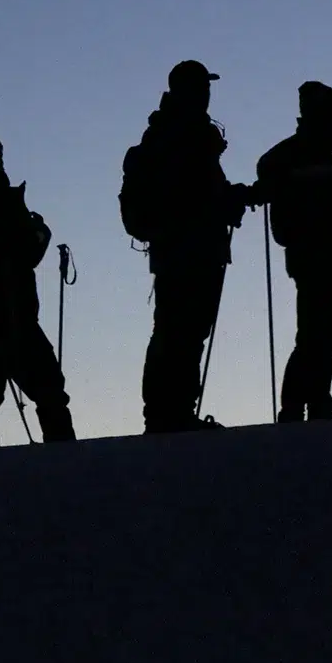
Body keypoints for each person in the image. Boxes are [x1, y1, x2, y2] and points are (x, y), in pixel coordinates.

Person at [120, 60, 258, 433]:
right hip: (187, 248)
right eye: (202, 87)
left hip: (187, 248)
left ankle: (172, 412)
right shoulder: (181, 136)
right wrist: (226, 202)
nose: (207, 94)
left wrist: (228, 200)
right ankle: (169, 414)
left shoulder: (175, 134)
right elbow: (192, 196)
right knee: (177, 330)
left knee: (182, 330)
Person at [0, 130, 76, 443]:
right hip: (6, 316)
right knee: (46, 390)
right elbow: (25, 252)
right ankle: (66, 459)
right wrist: (38, 232)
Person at [256, 82, 332, 423]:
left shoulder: (314, 155)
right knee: (316, 331)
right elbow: (267, 172)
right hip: (313, 253)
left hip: (328, 253)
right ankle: (301, 405)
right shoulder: (299, 153)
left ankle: (314, 403)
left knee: (323, 331)